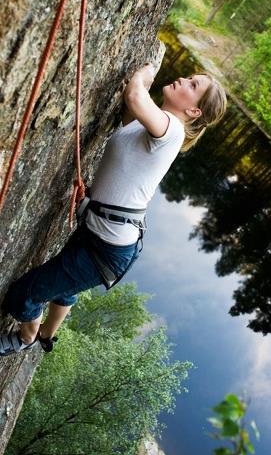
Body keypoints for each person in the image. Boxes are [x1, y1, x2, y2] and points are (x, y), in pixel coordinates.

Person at [0, 64, 227, 356]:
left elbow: (134, 96)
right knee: (65, 285)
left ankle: (27, 337)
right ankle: (47, 335)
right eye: (191, 79)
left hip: (106, 249)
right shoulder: (153, 122)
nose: (184, 79)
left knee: (22, 295)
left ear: (194, 112)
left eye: (193, 85)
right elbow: (125, 158)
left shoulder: (172, 131)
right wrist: (92, 198)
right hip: (101, 232)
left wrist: (146, 74)